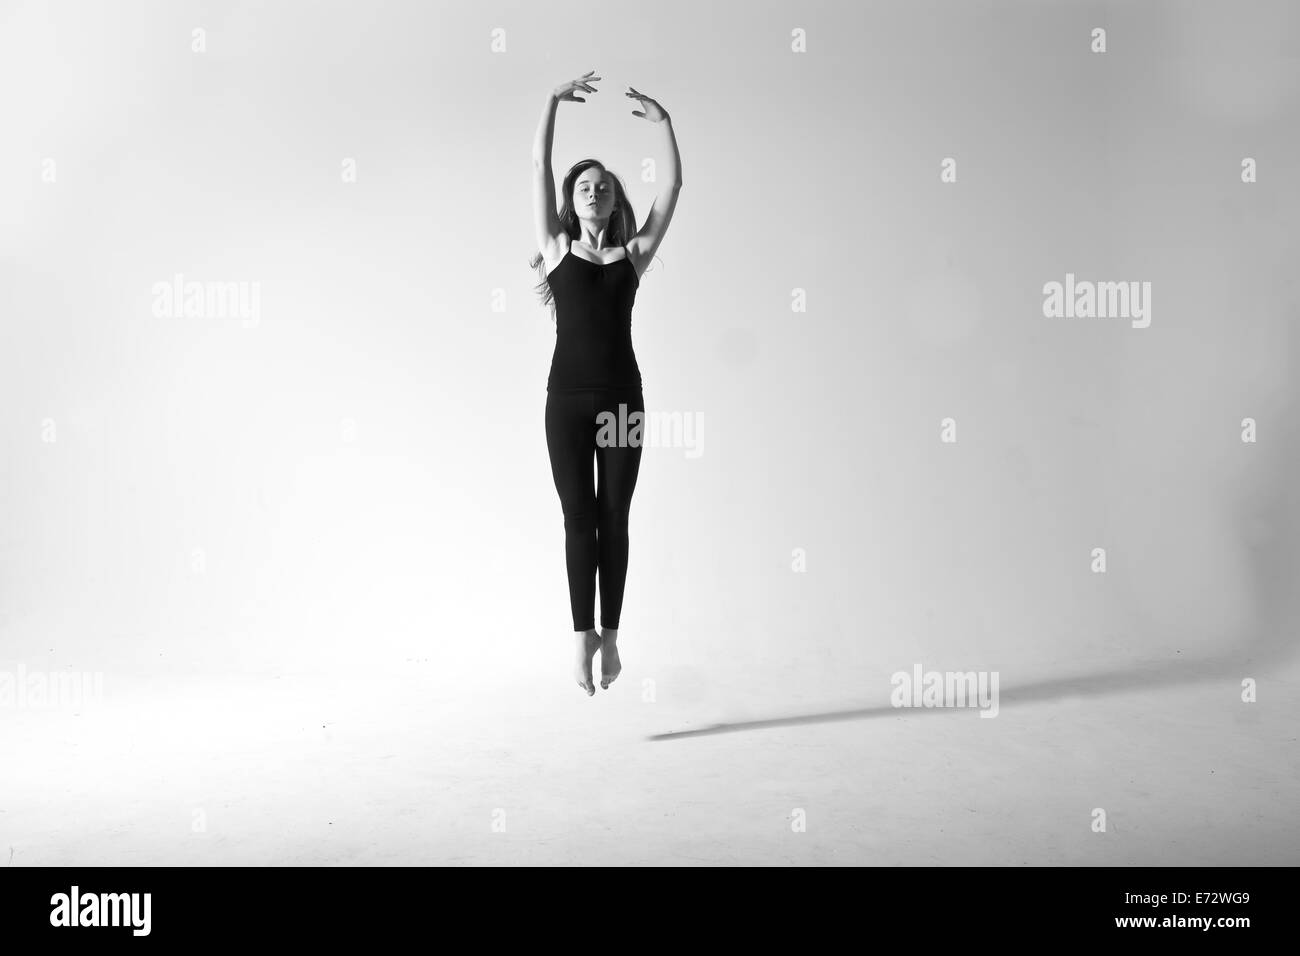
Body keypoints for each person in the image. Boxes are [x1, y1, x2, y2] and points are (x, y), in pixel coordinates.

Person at [529, 71, 683, 695]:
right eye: (584, 186)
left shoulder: (634, 255)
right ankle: (579, 639)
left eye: (604, 187)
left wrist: (665, 125)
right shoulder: (556, 248)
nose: (593, 192)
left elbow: (672, 186)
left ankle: (612, 636)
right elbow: (540, 162)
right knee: (577, 519)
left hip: (623, 401)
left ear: (617, 200)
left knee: (614, 517)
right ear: (574, 198)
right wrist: (550, 102)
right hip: (565, 404)